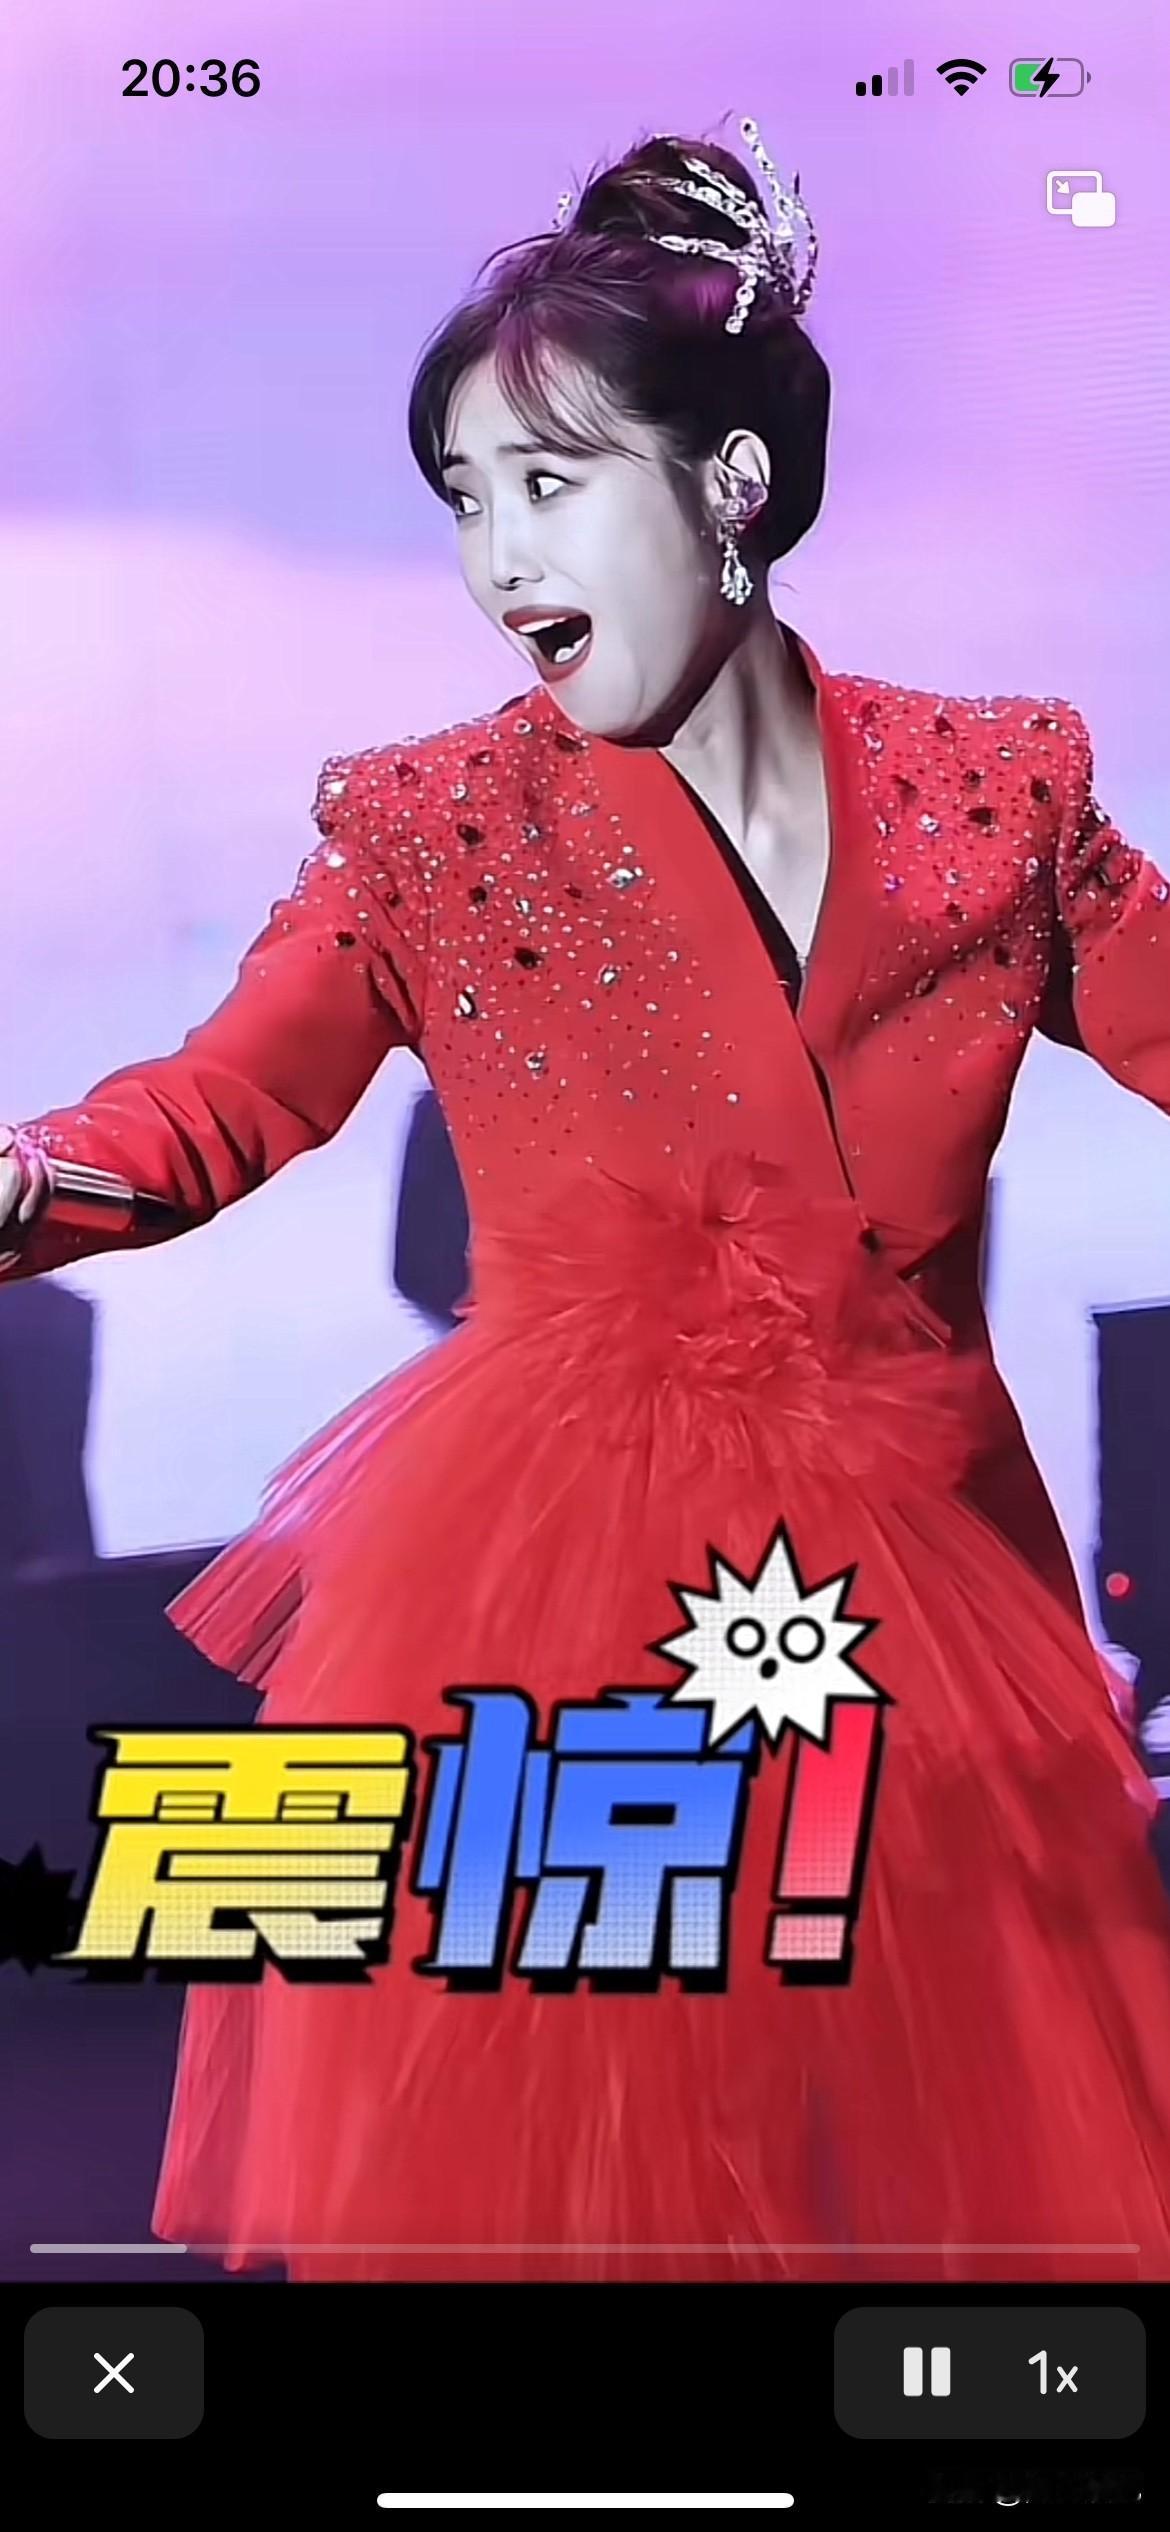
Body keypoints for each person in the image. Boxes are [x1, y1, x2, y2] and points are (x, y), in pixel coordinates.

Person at [3, 119, 1170, 2287]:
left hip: (933, 1597)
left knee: (945, 2183)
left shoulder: (994, 794)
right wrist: (30, 1177)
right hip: (546, 1589)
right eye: (463, 498)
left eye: (546, 484)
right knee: (589, 2183)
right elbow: (220, 1099)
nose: (494, 557)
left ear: (731, 483)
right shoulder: (433, 824)